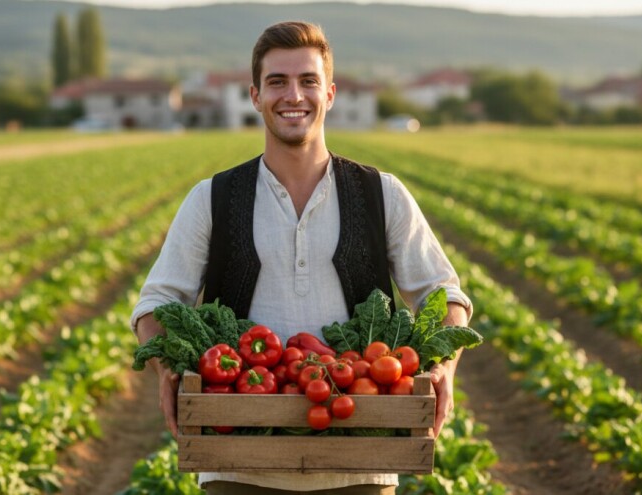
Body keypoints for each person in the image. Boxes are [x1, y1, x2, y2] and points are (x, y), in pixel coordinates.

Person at [130, 20, 473, 495]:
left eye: (308, 81)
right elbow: (155, 303)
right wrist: (166, 369)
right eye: (277, 82)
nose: (294, 95)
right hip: (238, 466)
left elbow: (444, 294)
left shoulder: (383, 194)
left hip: (361, 462)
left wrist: (444, 368)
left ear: (329, 93)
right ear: (255, 95)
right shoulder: (211, 197)